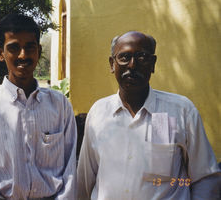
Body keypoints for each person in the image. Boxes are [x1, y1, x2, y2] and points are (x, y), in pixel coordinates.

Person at [77, 31, 221, 200]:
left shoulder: (181, 111)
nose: (132, 65)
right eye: (124, 57)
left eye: (142, 57)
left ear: (153, 64)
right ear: (112, 64)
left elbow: (205, 178)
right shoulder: (98, 112)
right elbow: (85, 181)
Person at [0, 13, 77, 200]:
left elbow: (70, 169)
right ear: (1, 53)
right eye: (14, 48)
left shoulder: (60, 104)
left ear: (38, 50)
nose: (23, 55)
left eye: (29, 47)